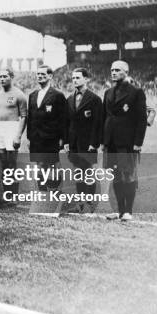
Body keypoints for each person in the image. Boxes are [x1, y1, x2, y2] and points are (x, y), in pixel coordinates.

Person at [102, 60, 147, 221]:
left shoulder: (136, 92)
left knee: (128, 175)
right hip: (111, 142)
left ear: (126, 72)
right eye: (112, 69)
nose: (113, 72)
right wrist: (103, 140)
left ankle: (128, 211)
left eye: (117, 70)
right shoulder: (108, 92)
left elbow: (142, 119)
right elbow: (104, 117)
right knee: (115, 176)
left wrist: (138, 143)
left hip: (127, 142)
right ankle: (119, 210)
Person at [63, 68, 102, 213]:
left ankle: (90, 204)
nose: (74, 80)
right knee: (78, 172)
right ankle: (79, 204)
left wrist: (94, 143)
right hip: (73, 143)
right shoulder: (69, 99)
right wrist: (66, 142)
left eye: (78, 77)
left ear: (86, 79)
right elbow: (66, 123)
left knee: (88, 172)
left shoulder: (95, 99)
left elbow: (98, 124)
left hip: (88, 143)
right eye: (73, 78)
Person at [27, 65, 67, 193]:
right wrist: (29, 137)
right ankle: (43, 192)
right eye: (38, 74)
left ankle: (55, 190)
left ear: (50, 76)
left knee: (52, 165)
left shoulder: (57, 95)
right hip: (36, 138)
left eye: (43, 74)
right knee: (39, 165)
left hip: (51, 137)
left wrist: (62, 138)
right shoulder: (33, 95)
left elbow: (63, 119)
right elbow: (30, 118)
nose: (40, 76)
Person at [0, 69, 27, 200]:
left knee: (12, 165)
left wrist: (18, 136)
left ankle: (13, 196)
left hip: (13, 128)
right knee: (4, 165)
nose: (2, 79)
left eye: (5, 76)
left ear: (11, 77)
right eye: (0, 76)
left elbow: (24, 116)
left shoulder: (19, 94)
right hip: (0, 129)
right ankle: (7, 194)